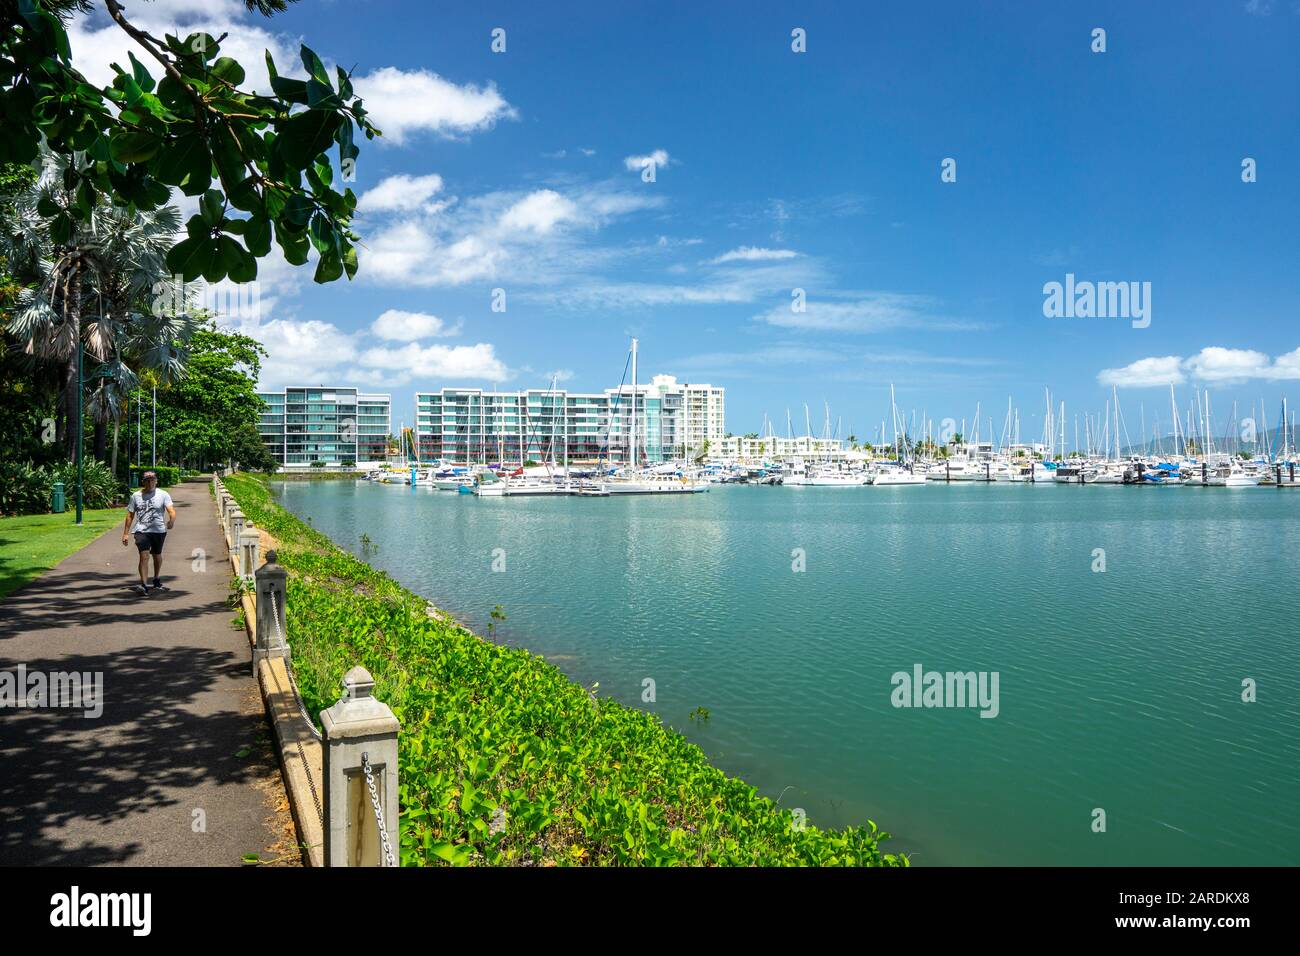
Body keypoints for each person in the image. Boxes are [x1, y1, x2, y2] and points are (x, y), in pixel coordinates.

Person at [121, 471, 176, 595]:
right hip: (141, 530)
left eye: (152, 480)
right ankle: (144, 585)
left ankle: (156, 578)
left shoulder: (163, 494)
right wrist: (125, 533)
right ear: (143, 482)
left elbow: (171, 511)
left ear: (156, 481)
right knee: (144, 555)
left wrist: (171, 520)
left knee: (156, 555)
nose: (150, 482)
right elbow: (130, 515)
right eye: (147, 480)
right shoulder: (135, 496)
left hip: (158, 530)